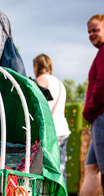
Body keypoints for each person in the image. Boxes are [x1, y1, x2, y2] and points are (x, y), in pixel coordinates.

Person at [67, 14, 104, 196]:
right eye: (89, 31)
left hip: (102, 115)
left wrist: (87, 111)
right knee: (92, 166)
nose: (91, 35)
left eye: (95, 30)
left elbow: (103, 86)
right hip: (98, 116)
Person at [33, 54, 70, 183]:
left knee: (45, 167)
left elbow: (37, 106)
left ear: (36, 66)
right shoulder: (60, 83)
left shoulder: (41, 80)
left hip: (50, 131)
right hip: (63, 129)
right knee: (60, 168)